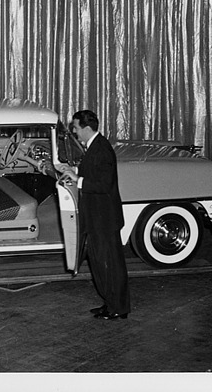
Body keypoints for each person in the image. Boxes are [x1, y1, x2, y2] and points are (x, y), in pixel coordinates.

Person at [57, 110, 131, 320]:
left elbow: (103, 184)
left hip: (104, 220)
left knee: (110, 265)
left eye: (76, 128)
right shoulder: (95, 147)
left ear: (87, 128)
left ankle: (118, 308)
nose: (74, 131)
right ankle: (111, 304)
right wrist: (76, 172)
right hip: (99, 218)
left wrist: (78, 181)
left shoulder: (101, 149)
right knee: (101, 264)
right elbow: (95, 173)